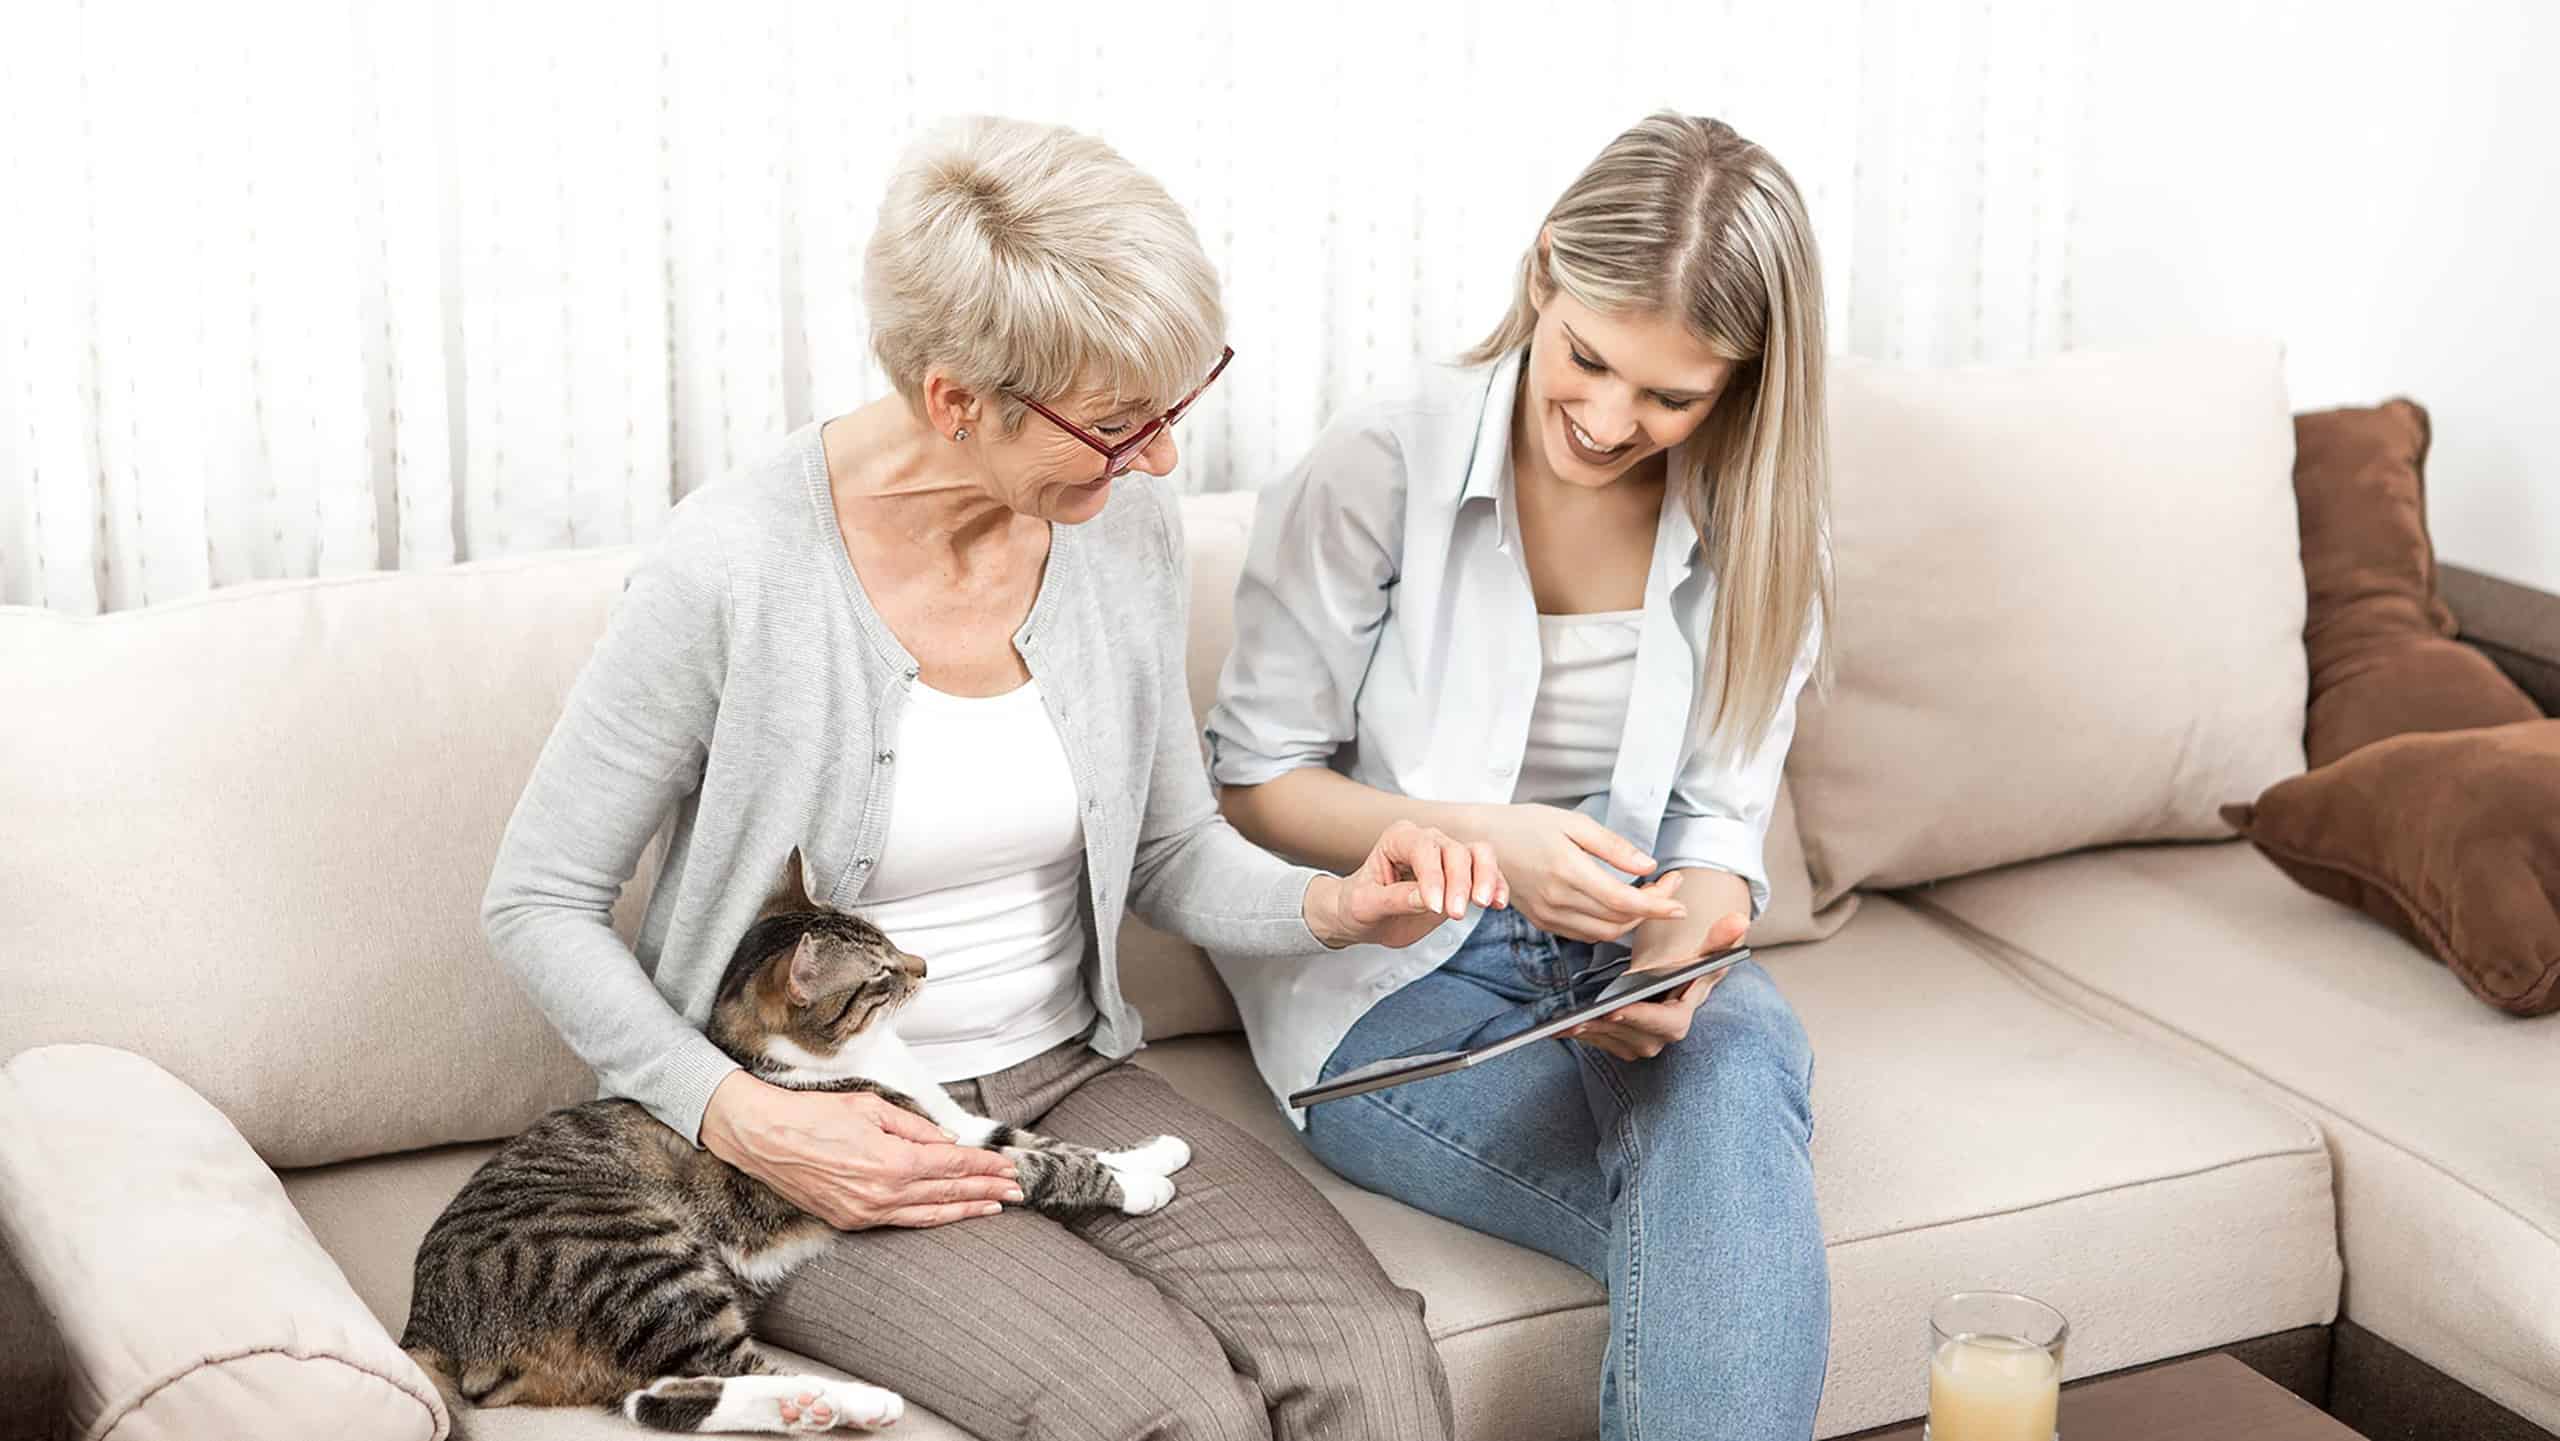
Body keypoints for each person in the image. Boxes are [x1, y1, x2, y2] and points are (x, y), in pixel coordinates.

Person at [481, 115, 1476, 1440]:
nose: (1165, 457)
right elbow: (537, 898)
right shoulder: (728, 570)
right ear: (955, 399)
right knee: (1169, 1412)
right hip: (824, 1130)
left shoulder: (1121, 531)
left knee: (1370, 1352)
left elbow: (1172, 849)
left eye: (1179, 407)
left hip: (1069, 1078)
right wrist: (749, 1118)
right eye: (1125, 423)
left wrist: (1335, 905)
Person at [1206, 112, 1835, 1440]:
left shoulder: (1761, 527)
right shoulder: (1383, 456)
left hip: (1603, 950)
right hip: (1389, 985)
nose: (1610, 422)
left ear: (1746, 382)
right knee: (1722, 1208)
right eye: (1588, 359)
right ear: (1545, 272)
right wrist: (1488, 843)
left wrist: (1682, 943)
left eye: (1672, 396)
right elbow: (1255, 780)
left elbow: (1719, 828)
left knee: (1732, 1059)